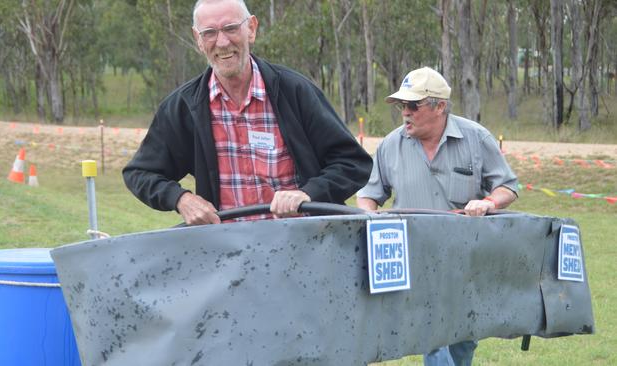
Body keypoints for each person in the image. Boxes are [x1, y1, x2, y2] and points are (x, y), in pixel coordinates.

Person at [123, 0, 372, 226]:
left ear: (251, 28)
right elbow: (140, 173)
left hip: (304, 246)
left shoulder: (294, 91)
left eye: (231, 28)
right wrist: (181, 199)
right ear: (198, 39)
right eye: (209, 33)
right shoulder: (184, 107)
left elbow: (353, 163)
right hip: (232, 255)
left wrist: (308, 193)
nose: (222, 42)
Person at [356, 67, 518, 366]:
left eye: (413, 106)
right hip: (413, 261)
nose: (405, 113)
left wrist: (487, 202)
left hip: (466, 261)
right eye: (402, 106)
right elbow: (369, 194)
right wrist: (368, 218)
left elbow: (507, 186)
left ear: (439, 106)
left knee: (463, 339)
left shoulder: (476, 138)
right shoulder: (390, 145)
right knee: (433, 335)